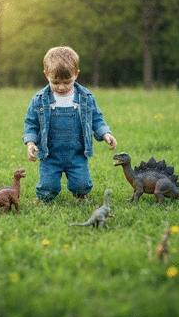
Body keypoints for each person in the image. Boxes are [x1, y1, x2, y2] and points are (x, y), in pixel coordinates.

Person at [23, 46, 117, 202]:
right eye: (55, 82)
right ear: (46, 75)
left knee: (81, 182)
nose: (61, 87)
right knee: (48, 184)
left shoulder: (85, 97)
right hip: (50, 154)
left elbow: (96, 117)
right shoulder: (39, 99)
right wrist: (31, 142)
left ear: (76, 75)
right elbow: (31, 122)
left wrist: (105, 133)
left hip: (77, 153)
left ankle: (81, 195)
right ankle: (44, 198)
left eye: (67, 82)